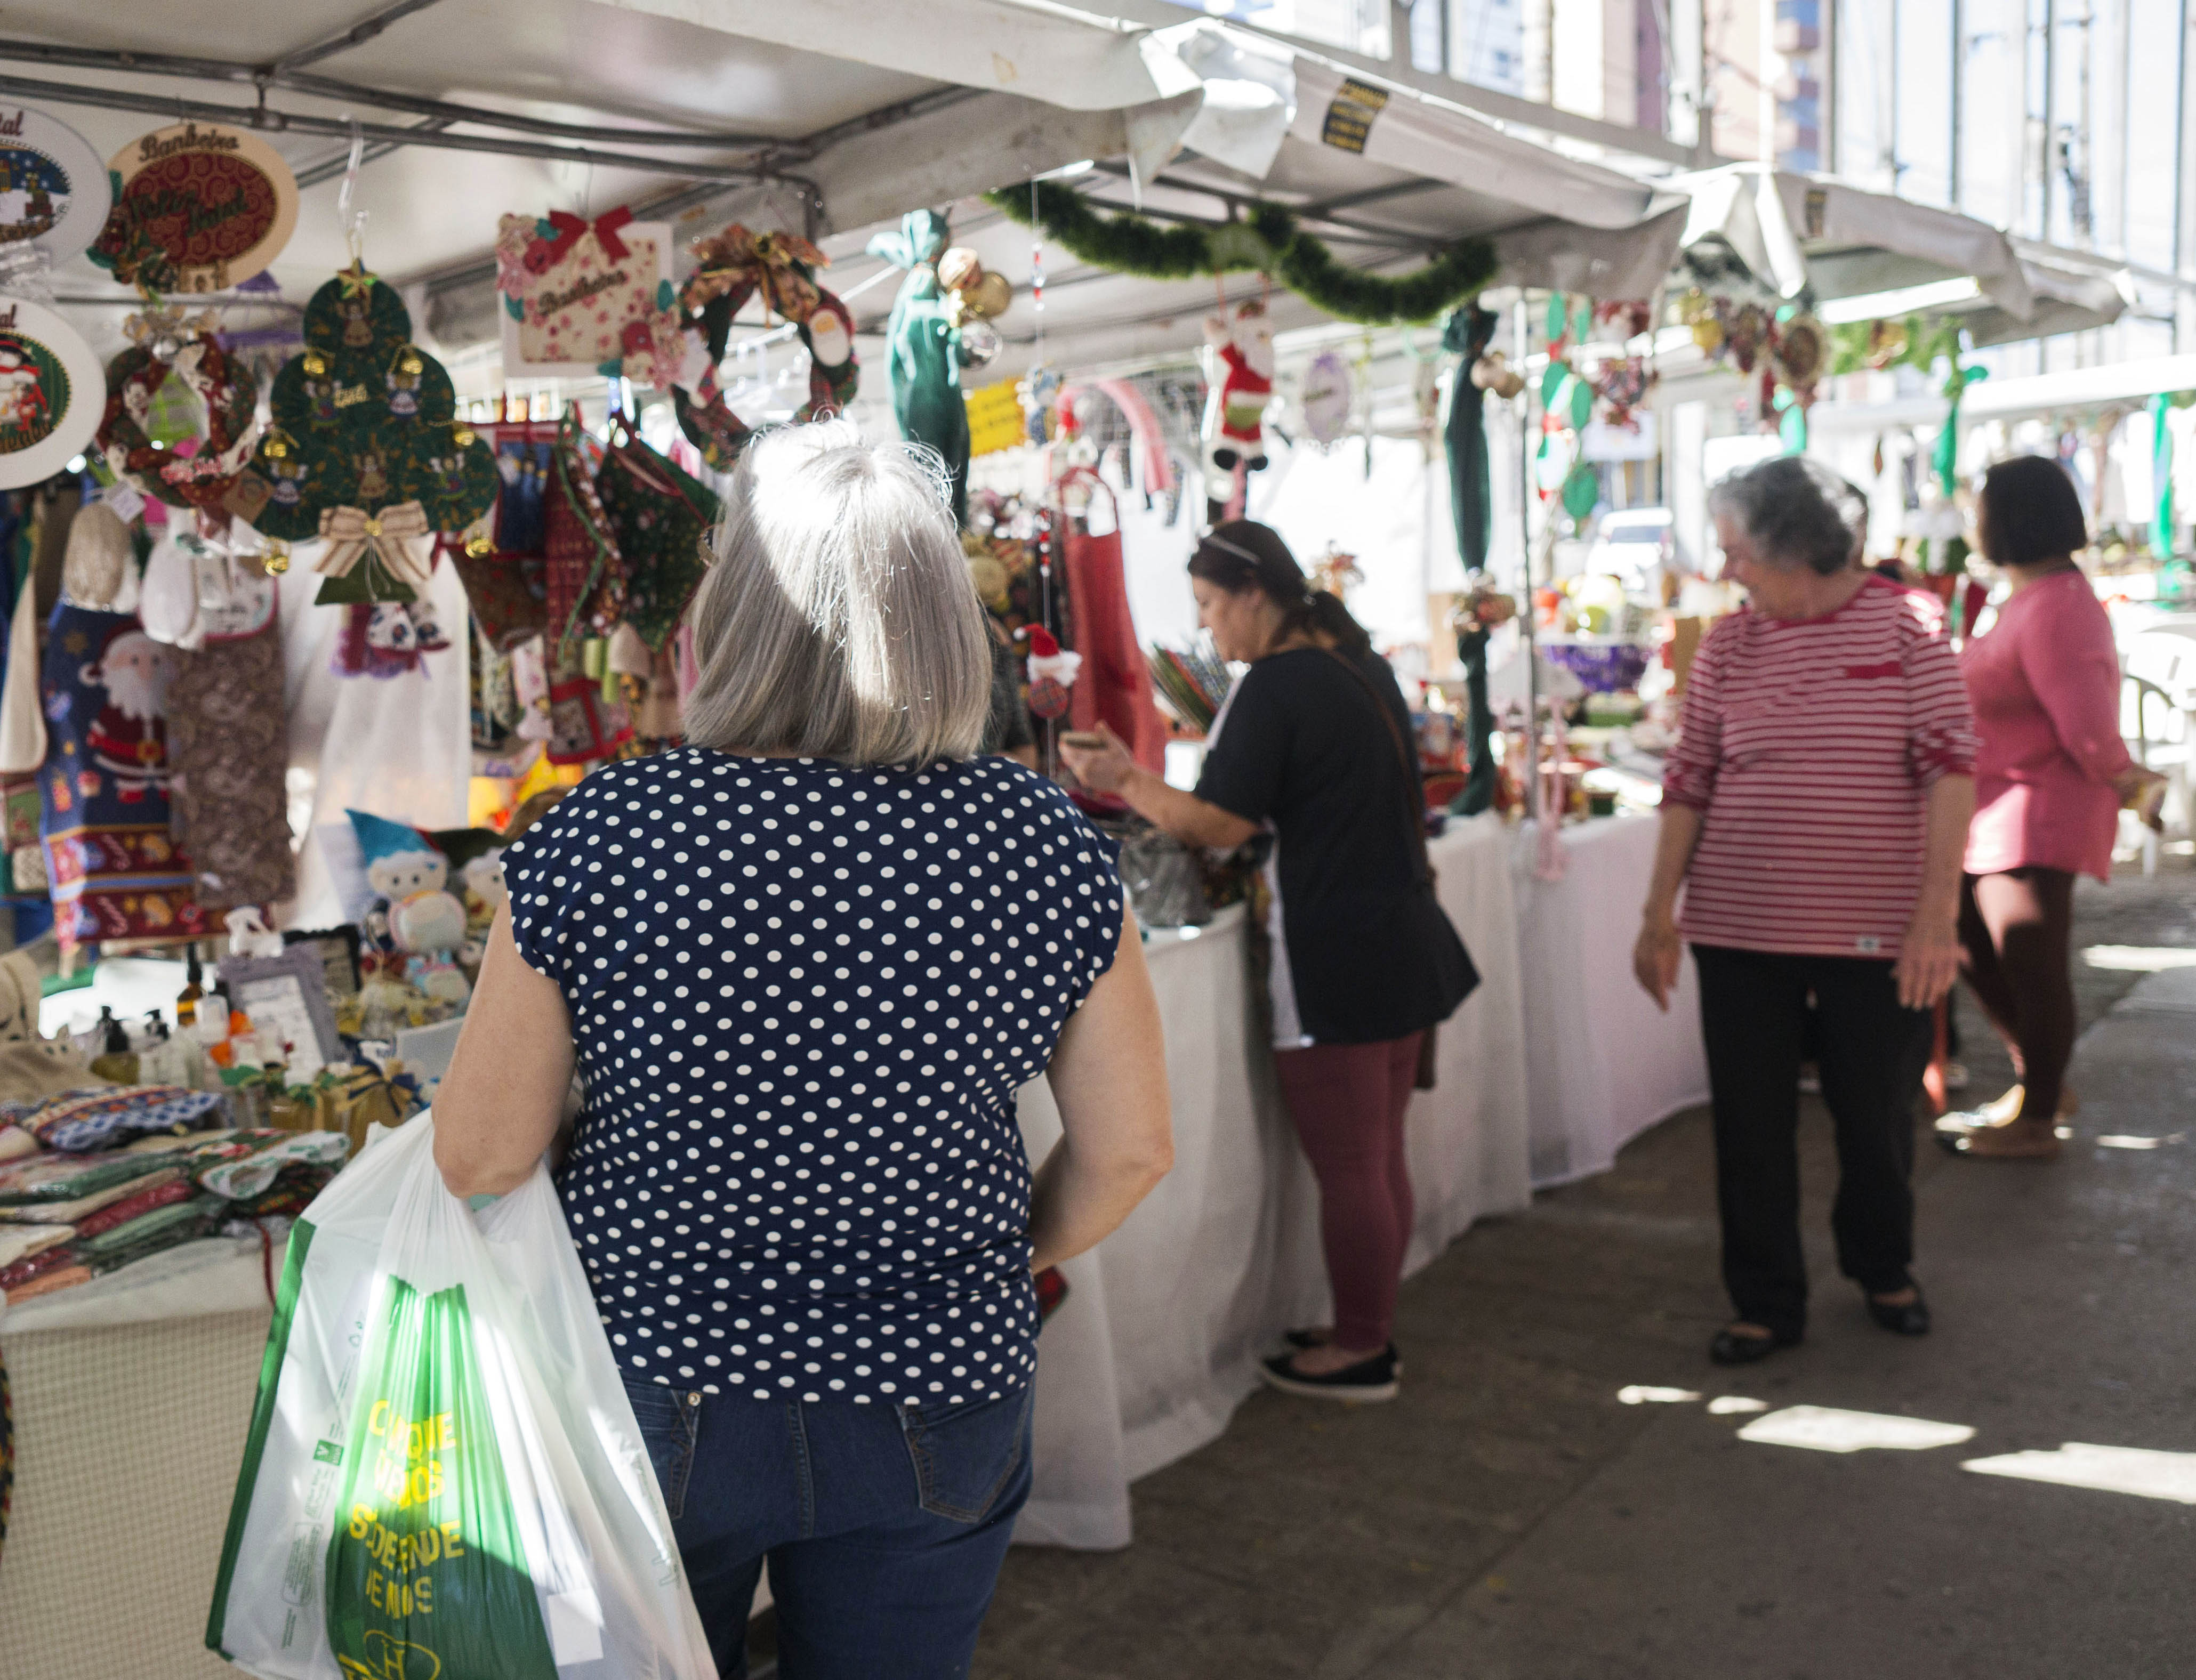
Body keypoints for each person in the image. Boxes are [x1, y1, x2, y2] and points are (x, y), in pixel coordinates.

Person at [432, 421, 1176, 1678]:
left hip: (656, 1376)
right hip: (936, 1376)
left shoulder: (604, 830)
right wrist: (991, 1263)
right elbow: (1131, 1151)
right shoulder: (1041, 840)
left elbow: (478, 1155)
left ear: (734, 616)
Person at [1061, 520, 1478, 1404]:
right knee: (1379, 1153)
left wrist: (1124, 779)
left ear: (1254, 595)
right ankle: (1368, 1323)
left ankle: (1362, 1347)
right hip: (1400, 935)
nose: (1206, 626)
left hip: (1335, 954)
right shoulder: (1359, 665)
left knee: (1353, 1164)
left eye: (1211, 605)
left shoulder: (1276, 686)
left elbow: (1219, 823)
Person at [1634, 456, 1977, 1365]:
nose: (1727, 571)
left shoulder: (1906, 624)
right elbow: (1688, 781)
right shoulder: (1726, 646)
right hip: (1737, 927)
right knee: (1748, 1128)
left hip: (1876, 931)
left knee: (1873, 1118)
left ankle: (1881, 1264)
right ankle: (1764, 1298)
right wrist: (1657, 913)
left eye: (1738, 552)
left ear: (1794, 547)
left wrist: (1935, 914)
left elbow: (1950, 768)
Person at [1937, 456, 2136, 1159]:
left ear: (2011, 517)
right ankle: (2039, 1087)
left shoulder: (2056, 604)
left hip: (2036, 812)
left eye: (1979, 509)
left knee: (2030, 965)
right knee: (1972, 946)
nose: (1971, 523)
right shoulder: (2027, 595)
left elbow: (2087, 726)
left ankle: (2037, 1116)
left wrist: (2125, 779)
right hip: (1993, 810)